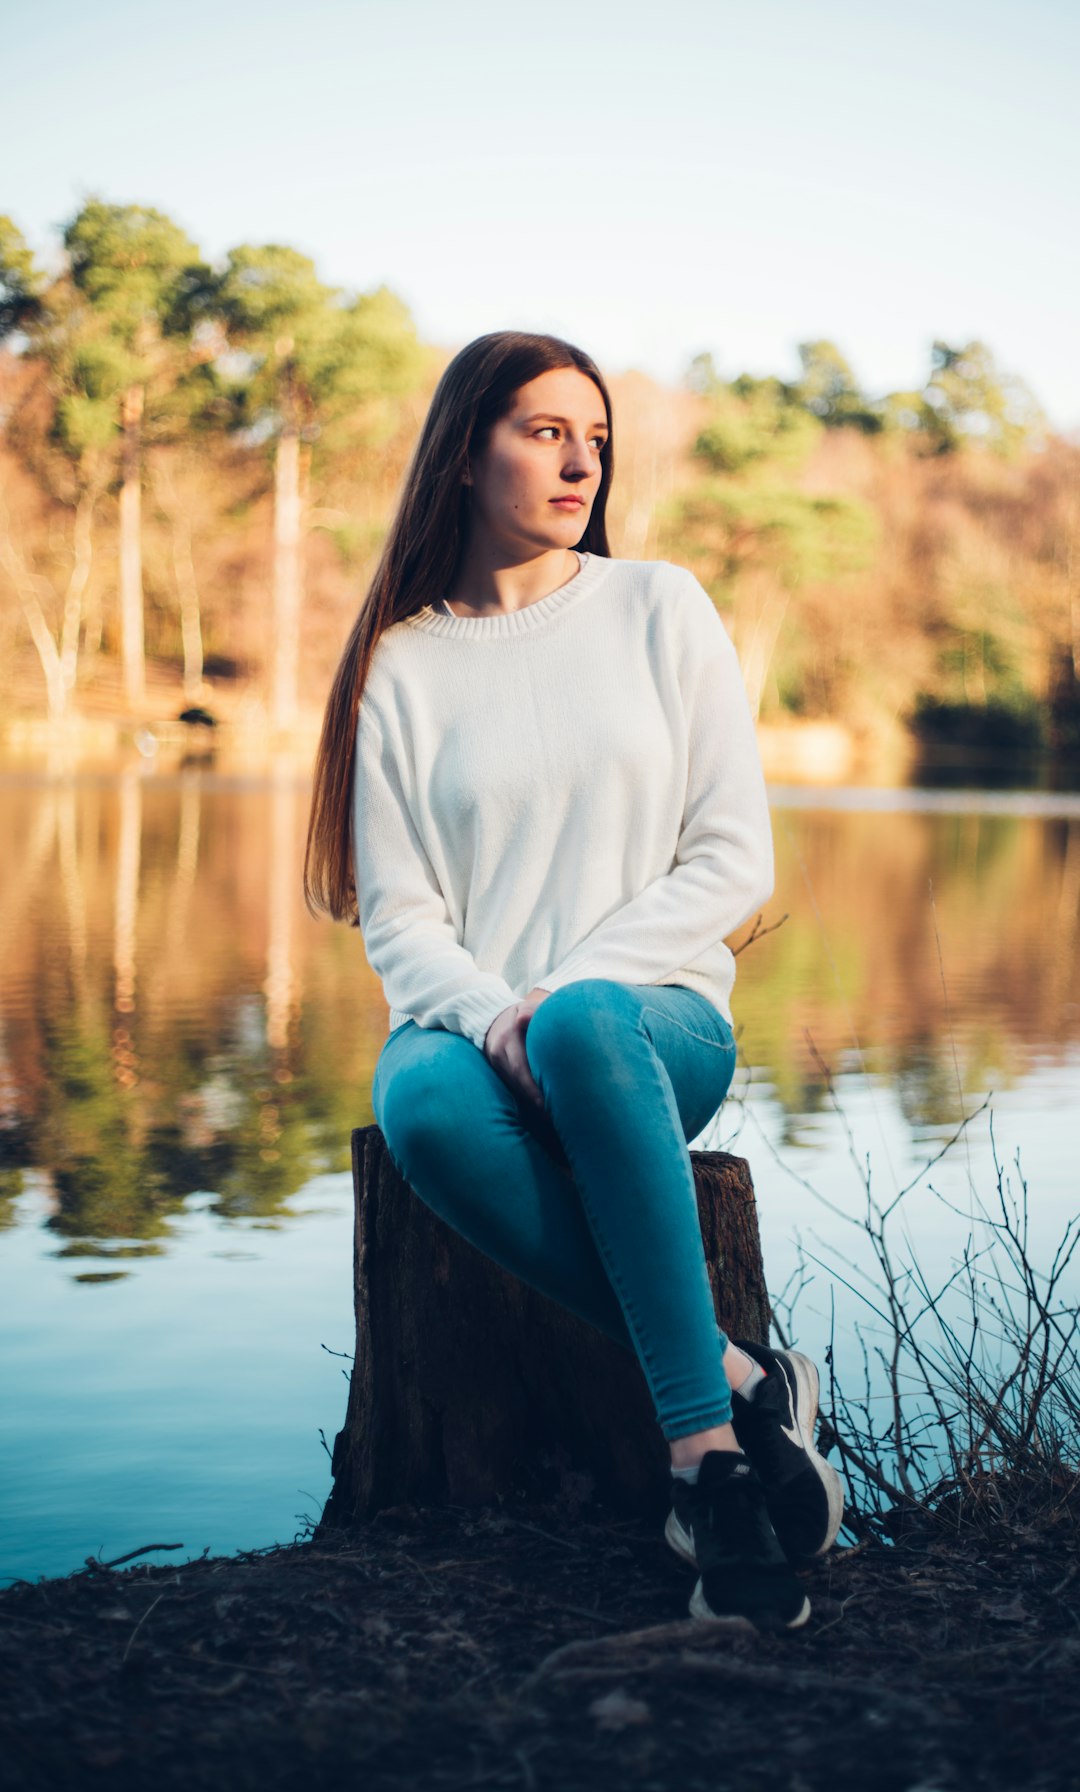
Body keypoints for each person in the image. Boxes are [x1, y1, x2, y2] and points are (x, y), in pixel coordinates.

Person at [304, 330, 843, 1631]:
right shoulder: (402, 663)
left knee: (593, 1023)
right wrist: (497, 1018)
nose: (579, 460)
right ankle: (735, 1378)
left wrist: (564, 998)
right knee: (421, 1110)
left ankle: (700, 1460)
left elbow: (731, 859)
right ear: (463, 451)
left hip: (650, 1026)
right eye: (545, 430)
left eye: (594, 437)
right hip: (468, 1029)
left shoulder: (660, 608)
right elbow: (404, 919)